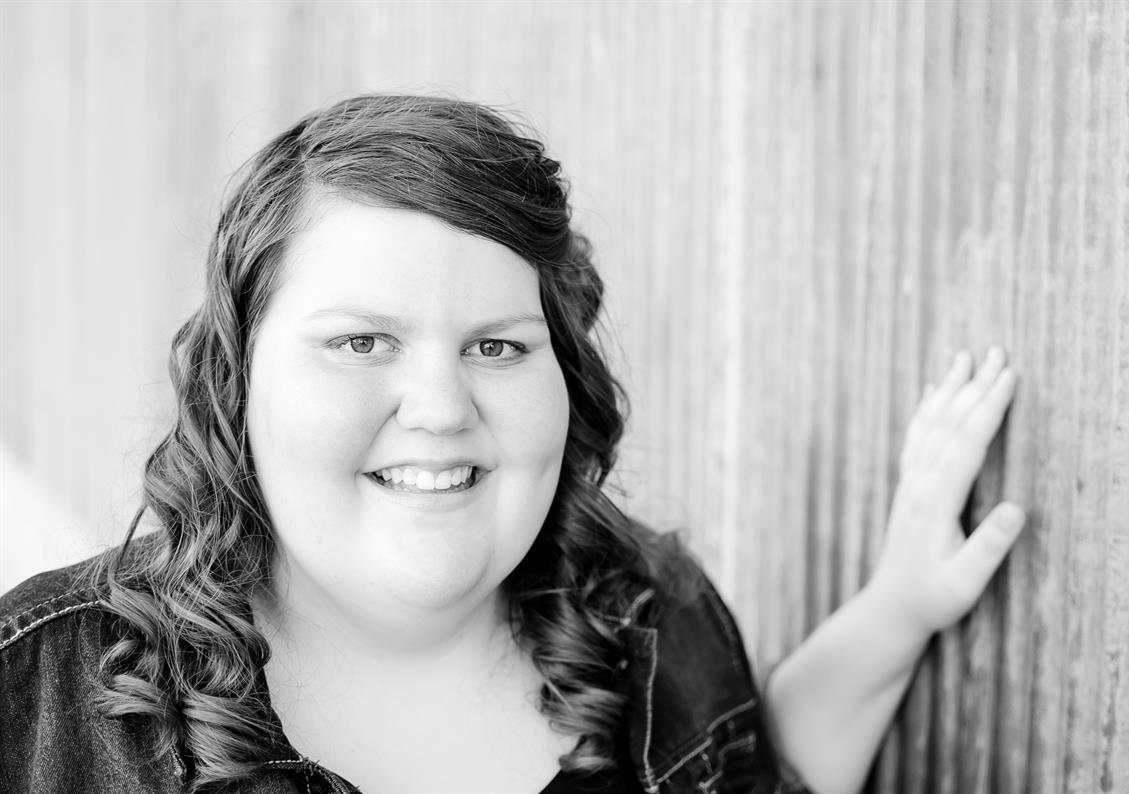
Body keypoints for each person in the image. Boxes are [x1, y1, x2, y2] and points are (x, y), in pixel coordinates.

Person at [0, 94, 1025, 794]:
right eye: (361, 341)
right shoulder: (37, 696)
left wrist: (898, 609)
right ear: (239, 380)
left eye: (496, 345)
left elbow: (756, 767)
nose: (441, 407)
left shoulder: (653, 628)